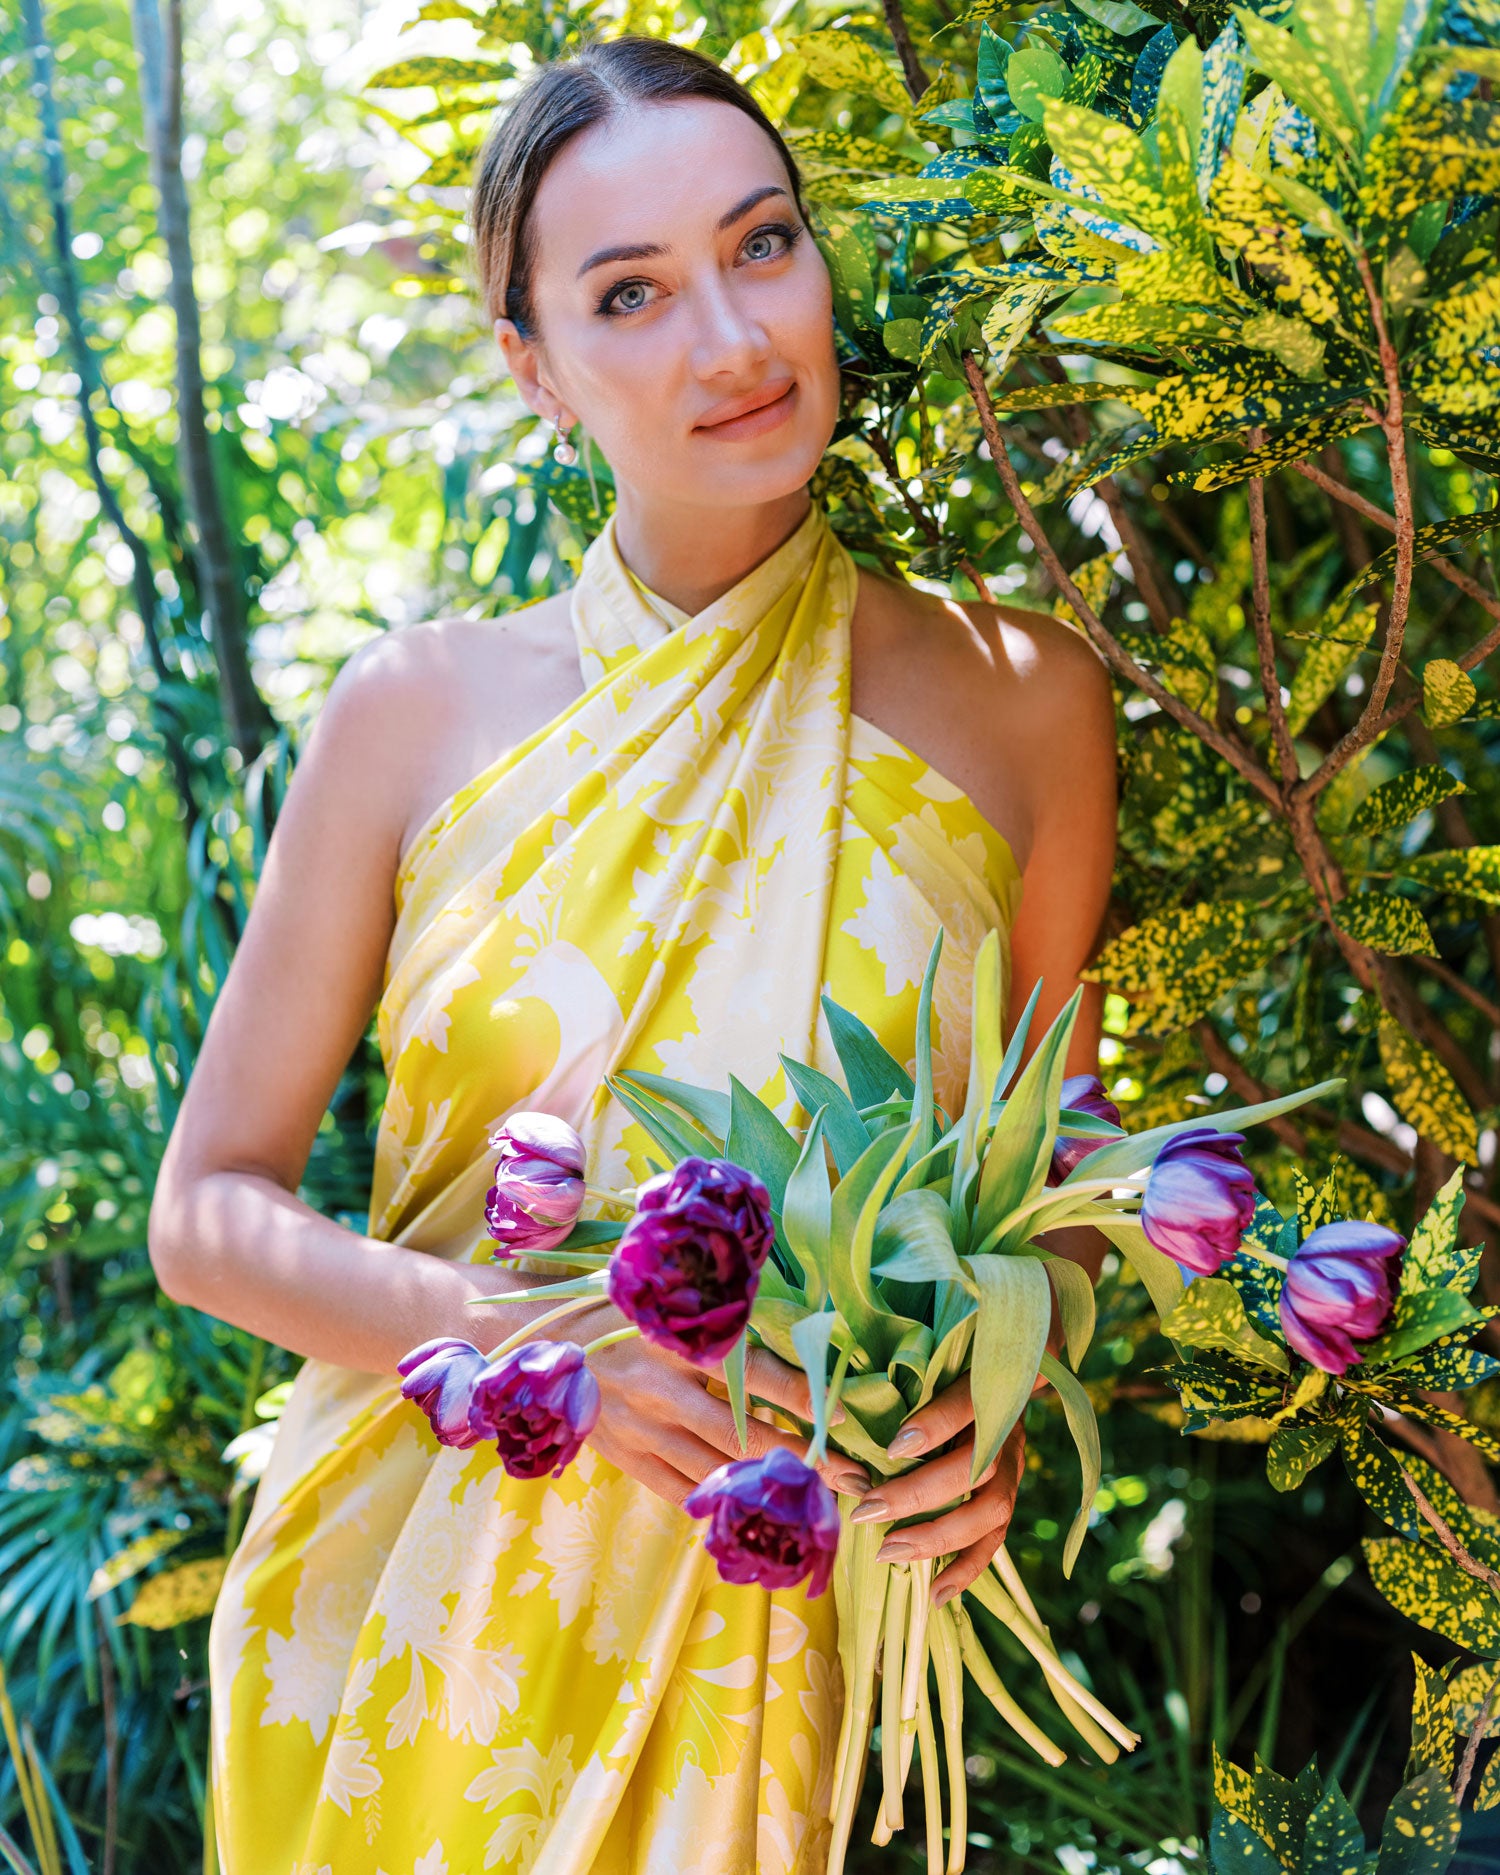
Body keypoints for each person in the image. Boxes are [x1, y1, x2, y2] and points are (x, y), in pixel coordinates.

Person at [147, 33, 1117, 1875]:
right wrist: (525, 1344)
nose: (734, 339)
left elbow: (1055, 1168)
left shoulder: (1028, 704)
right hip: (407, 1617)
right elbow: (208, 1211)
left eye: (763, 247)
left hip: (781, 1611)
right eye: (631, 295)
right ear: (537, 370)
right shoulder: (414, 713)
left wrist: (996, 1401)